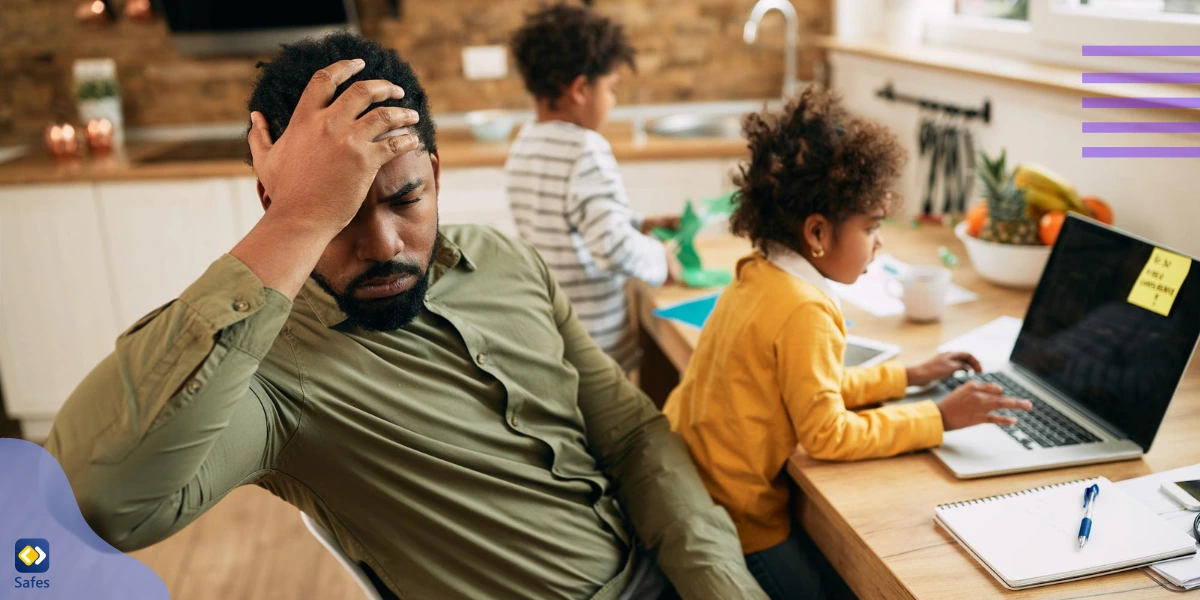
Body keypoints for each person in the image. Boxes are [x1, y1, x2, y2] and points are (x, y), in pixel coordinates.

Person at [45, 33, 767, 600]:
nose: (385, 245)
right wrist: (296, 223)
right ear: (277, 206)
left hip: (678, 566)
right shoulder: (267, 372)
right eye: (338, 216)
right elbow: (96, 498)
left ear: (438, 173)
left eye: (406, 199)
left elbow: (633, 437)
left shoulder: (506, 262)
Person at [662, 87, 1032, 600]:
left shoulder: (759, 274)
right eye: (871, 227)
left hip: (695, 493)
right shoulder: (804, 309)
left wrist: (907, 376)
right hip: (741, 527)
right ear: (817, 232)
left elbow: (808, 386)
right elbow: (827, 434)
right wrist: (938, 418)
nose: (879, 242)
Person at [506, 3, 681, 371]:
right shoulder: (586, 148)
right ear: (581, 89)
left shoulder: (524, 143)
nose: (613, 101)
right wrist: (660, 259)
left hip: (554, 335)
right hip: (598, 347)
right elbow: (612, 247)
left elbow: (569, 220)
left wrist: (637, 222)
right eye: (612, 89)